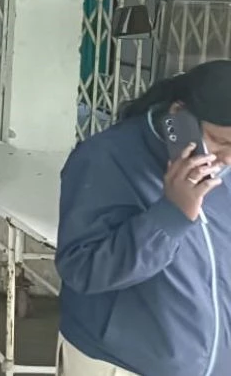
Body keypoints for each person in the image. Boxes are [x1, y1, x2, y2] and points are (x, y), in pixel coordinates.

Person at [56, 60, 231, 376]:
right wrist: (172, 214)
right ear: (179, 116)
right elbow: (83, 269)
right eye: (220, 141)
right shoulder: (106, 157)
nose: (228, 158)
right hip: (120, 364)